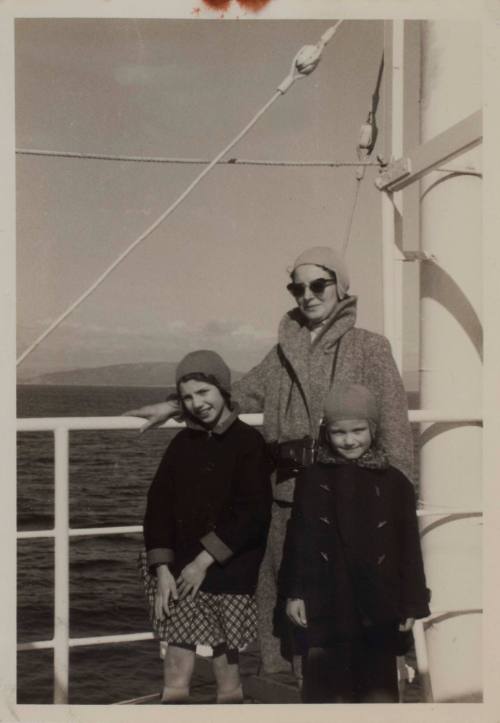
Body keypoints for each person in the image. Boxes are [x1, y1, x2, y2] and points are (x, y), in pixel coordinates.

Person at [128, 245, 413, 674]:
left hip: (348, 498)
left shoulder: (370, 348)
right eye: (297, 287)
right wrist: (175, 405)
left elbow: (394, 428)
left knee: (343, 605)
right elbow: (232, 394)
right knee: (285, 604)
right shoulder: (282, 352)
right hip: (284, 498)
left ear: (341, 286)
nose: (308, 295)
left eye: (319, 284)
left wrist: (395, 503)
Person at [279, 383, 430, 703]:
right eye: (339, 432)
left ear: (373, 429)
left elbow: (409, 549)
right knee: (324, 693)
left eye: (358, 430)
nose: (349, 440)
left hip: (379, 604)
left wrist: (412, 603)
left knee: (378, 692)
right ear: (326, 434)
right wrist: (294, 593)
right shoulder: (312, 479)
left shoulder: (395, 484)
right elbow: (298, 540)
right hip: (325, 601)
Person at [140, 350, 272, 703]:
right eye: (187, 397)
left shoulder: (249, 443)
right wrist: (163, 568)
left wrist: (204, 561)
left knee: (225, 668)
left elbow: (253, 514)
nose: (197, 403)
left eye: (203, 392)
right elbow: (158, 506)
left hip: (227, 566)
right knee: (176, 667)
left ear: (224, 390)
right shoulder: (182, 444)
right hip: (180, 567)